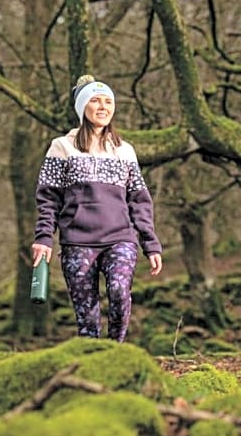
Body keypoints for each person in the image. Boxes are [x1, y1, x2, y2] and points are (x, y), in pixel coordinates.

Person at [31, 75, 162, 342]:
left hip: (120, 239)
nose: (103, 107)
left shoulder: (125, 150)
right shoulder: (62, 147)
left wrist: (151, 243)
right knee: (87, 318)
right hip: (77, 242)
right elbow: (48, 199)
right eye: (95, 100)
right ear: (82, 108)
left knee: (119, 291)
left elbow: (138, 199)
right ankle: (92, 362)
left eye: (108, 101)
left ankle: (117, 349)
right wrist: (44, 237)